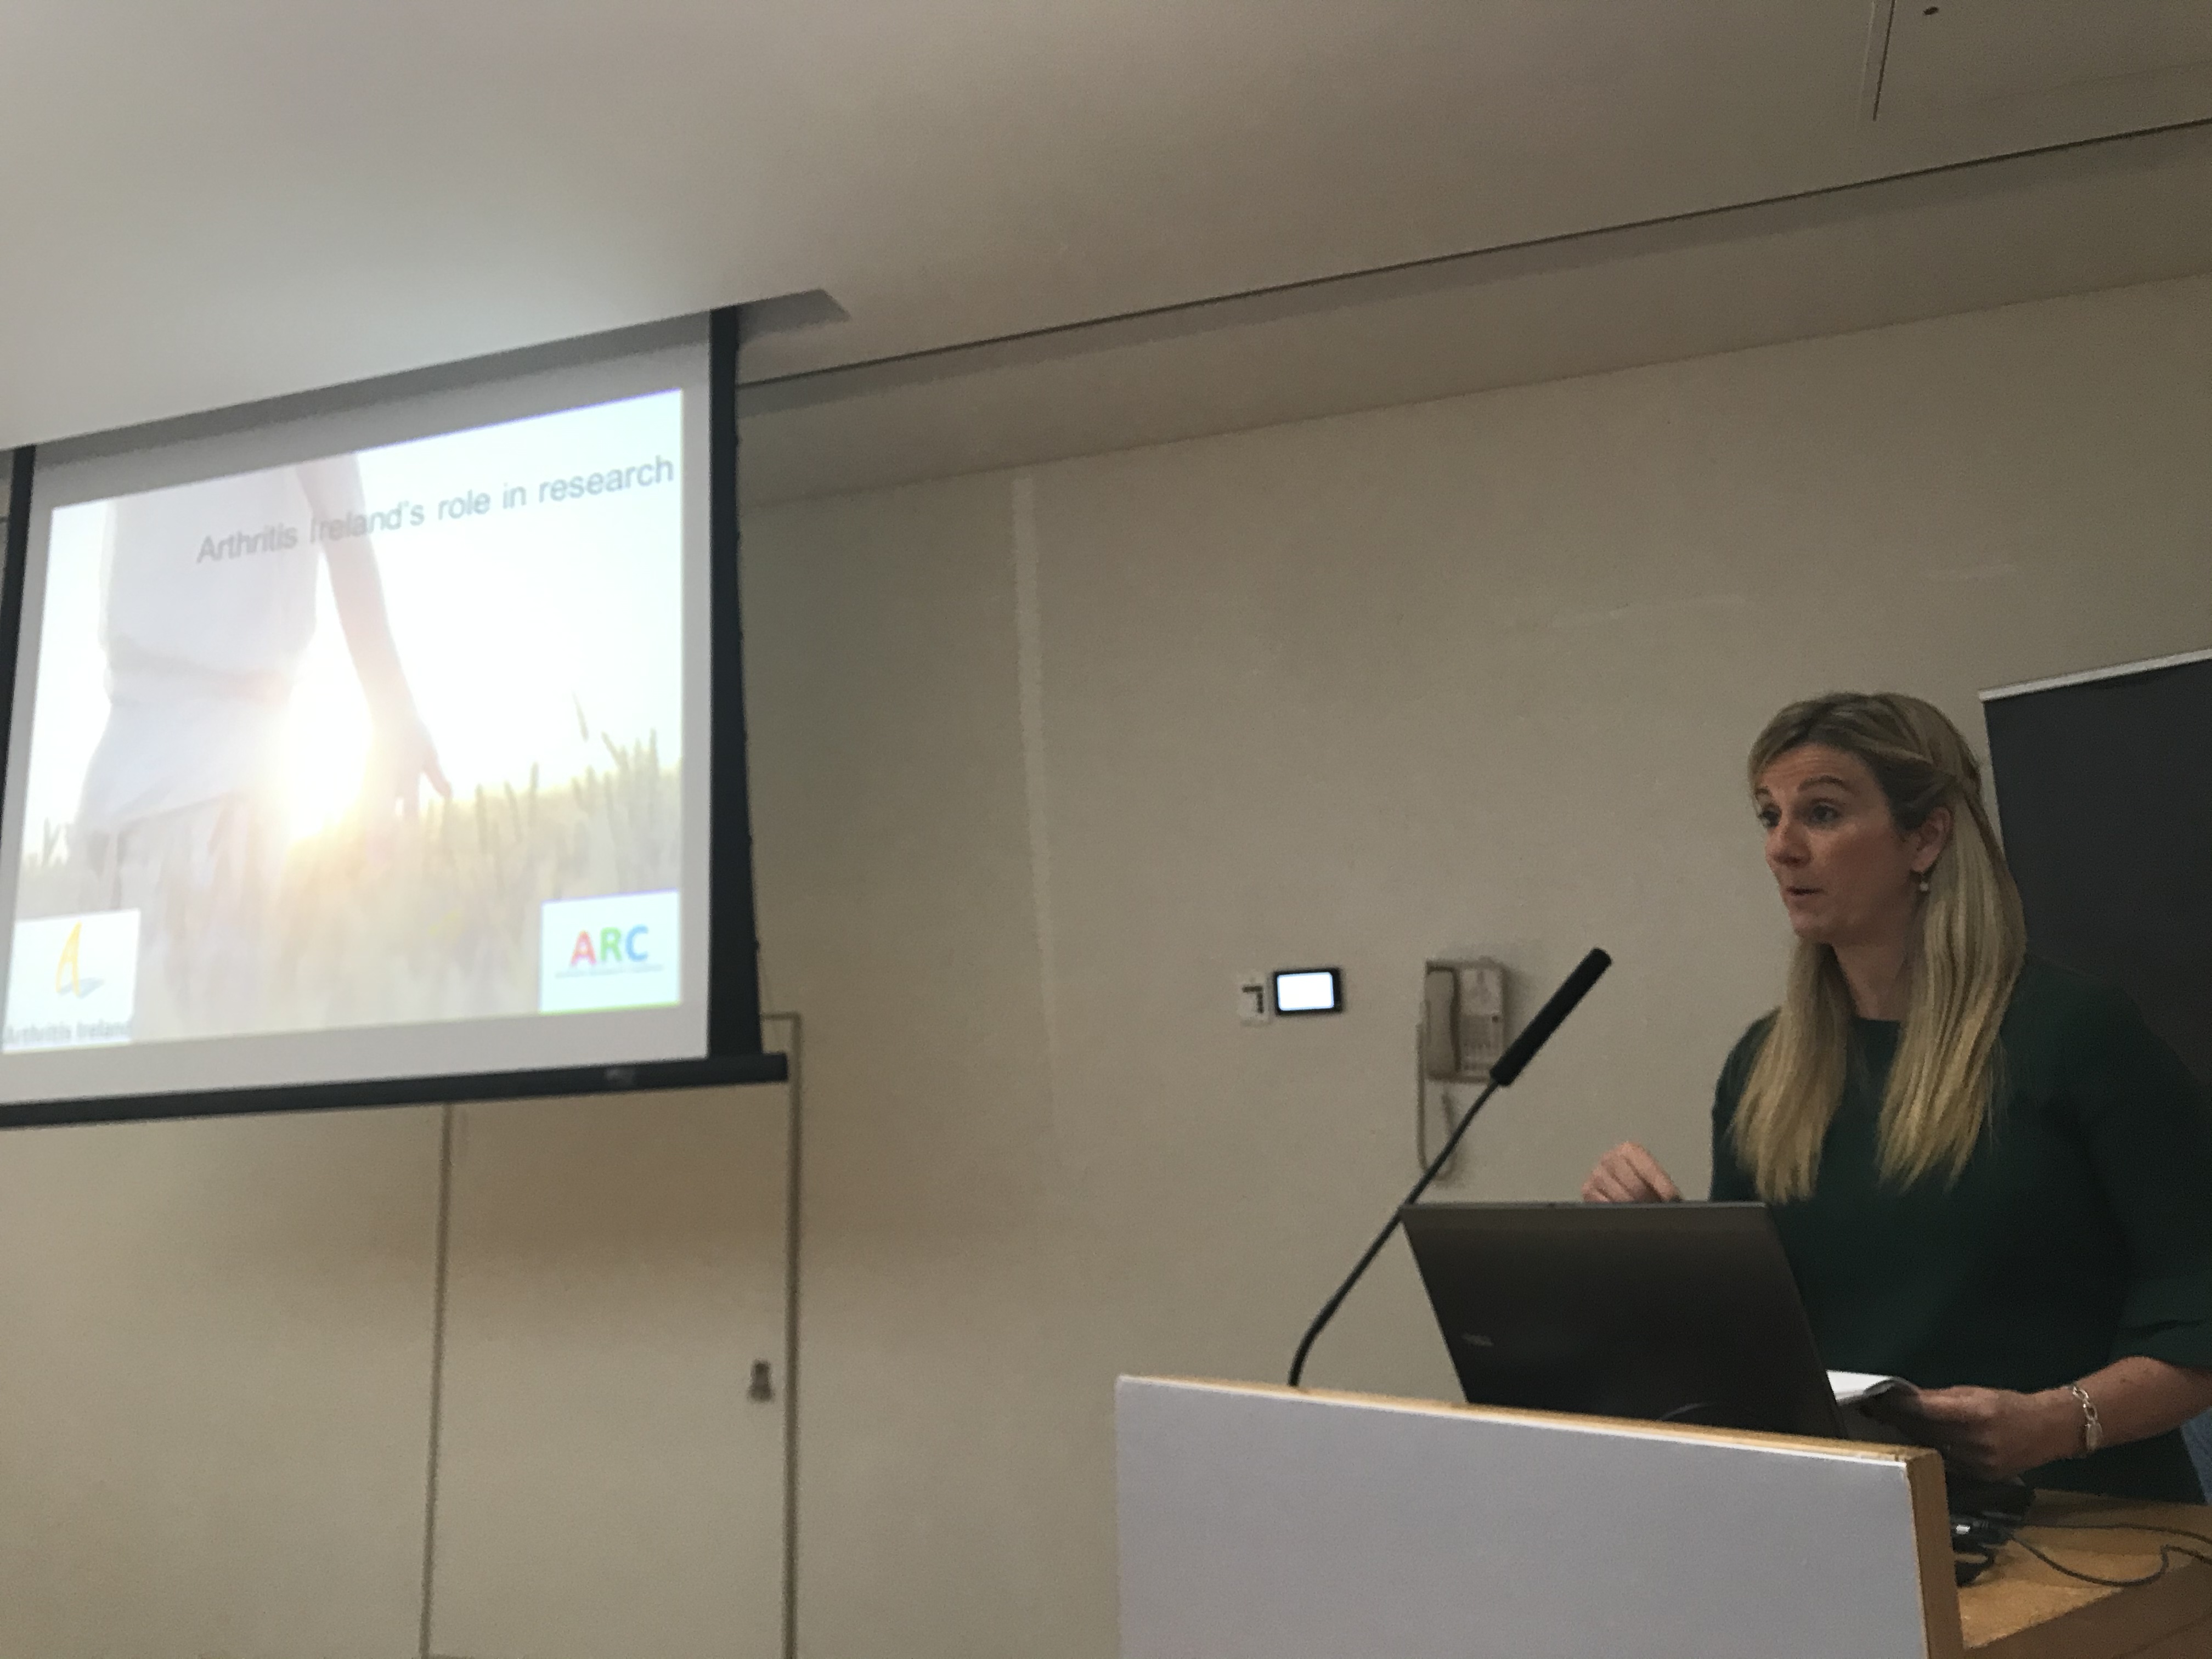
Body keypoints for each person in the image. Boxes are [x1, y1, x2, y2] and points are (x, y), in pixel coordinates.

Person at [1583, 692, 2212, 1502]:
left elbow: (2197, 1307)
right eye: (1770, 816)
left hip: (2082, 1522)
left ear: (1926, 838)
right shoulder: (1765, 1065)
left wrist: (2058, 1421)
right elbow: (1756, 1334)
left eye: (1821, 813)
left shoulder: (2076, 1035)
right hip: (1855, 1511)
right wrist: (1656, 1247)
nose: (1781, 848)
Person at [74, 453, 449, 1037]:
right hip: (218, 792)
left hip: (116, 790)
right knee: (205, 1047)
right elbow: (346, 533)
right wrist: (395, 712)